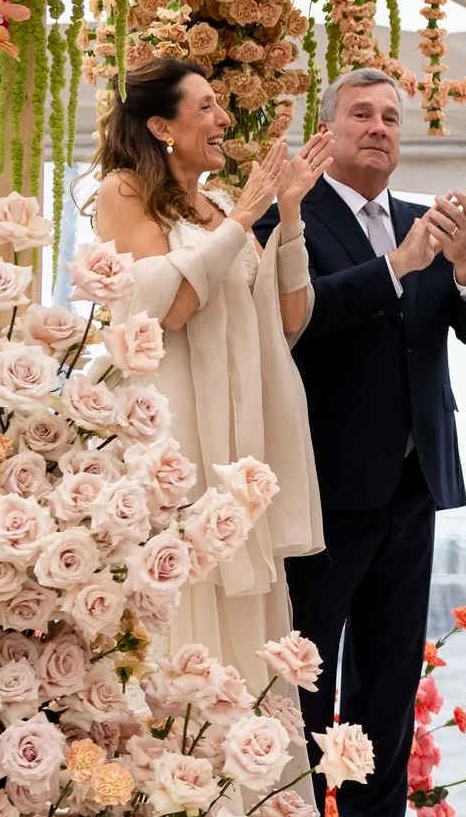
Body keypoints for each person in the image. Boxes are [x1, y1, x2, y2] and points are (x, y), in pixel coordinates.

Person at [258, 67, 466, 817]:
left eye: (392, 118)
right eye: (361, 114)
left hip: (413, 480)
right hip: (324, 484)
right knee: (309, 671)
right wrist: (395, 267)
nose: (380, 128)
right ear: (326, 133)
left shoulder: (425, 225)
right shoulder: (289, 217)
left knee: (391, 673)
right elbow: (297, 321)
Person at [90, 57, 330, 739]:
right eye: (206, 107)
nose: (224, 120)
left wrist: (286, 215)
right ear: (163, 125)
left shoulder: (220, 206)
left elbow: (287, 319)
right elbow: (170, 305)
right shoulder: (124, 191)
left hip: (237, 443)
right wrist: (248, 212)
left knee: (247, 629)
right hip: (178, 441)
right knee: (186, 604)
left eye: (221, 105)